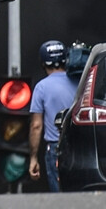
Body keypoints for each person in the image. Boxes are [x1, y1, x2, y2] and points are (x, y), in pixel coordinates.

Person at [29, 39, 78, 192]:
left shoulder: (41, 87)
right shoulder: (80, 81)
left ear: (43, 63)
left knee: (59, 193)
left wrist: (33, 158)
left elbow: (36, 126)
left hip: (56, 148)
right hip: (80, 145)